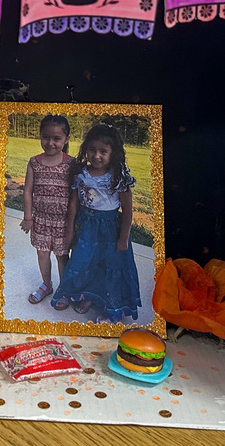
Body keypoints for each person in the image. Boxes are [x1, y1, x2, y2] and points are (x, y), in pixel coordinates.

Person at [52, 123, 141, 322]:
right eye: (92, 150)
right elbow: (74, 204)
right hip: (86, 226)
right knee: (84, 262)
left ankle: (109, 306)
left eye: (103, 151)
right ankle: (87, 296)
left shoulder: (118, 176)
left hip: (111, 229)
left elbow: (127, 210)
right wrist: (69, 231)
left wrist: (123, 238)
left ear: (113, 153)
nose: (96, 156)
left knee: (108, 265)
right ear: (85, 149)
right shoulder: (81, 173)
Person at [20, 115, 75, 309]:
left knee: (62, 256)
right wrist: (28, 217)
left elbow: (77, 194)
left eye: (57, 139)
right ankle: (47, 285)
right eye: (45, 137)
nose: (50, 143)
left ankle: (64, 290)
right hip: (40, 219)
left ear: (66, 139)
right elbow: (27, 190)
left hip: (64, 222)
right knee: (42, 254)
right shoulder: (34, 162)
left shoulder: (71, 163)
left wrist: (74, 222)